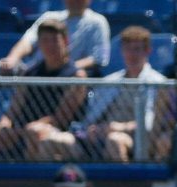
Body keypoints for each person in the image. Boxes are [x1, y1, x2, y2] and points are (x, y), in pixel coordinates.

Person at [0, 19, 87, 162]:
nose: (50, 45)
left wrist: (21, 131)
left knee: (33, 132)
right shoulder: (30, 72)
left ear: (65, 41)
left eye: (55, 40)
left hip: (55, 133)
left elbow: (61, 119)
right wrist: (5, 125)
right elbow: (13, 110)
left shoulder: (76, 76)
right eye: (45, 40)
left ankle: (32, 183)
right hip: (17, 132)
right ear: (39, 44)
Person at [35, 25, 166, 162]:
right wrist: (93, 130)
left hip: (134, 139)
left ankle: (124, 183)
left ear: (148, 51)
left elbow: (150, 123)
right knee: (48, 142)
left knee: (114, 141)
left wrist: (116, 127)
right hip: (95, 138)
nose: (132, 55)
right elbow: (90, 117)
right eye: (127, 49)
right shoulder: (109, 81)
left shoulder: (157, 83)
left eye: (137, 50)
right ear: (121, 51)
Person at [0, 0, 110, 76]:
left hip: (70, 82)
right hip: (35, 76)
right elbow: (27, 41)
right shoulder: (49, 17)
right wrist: (12, 59)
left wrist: (64, 70)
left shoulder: (98, 22)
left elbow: (98, 59)